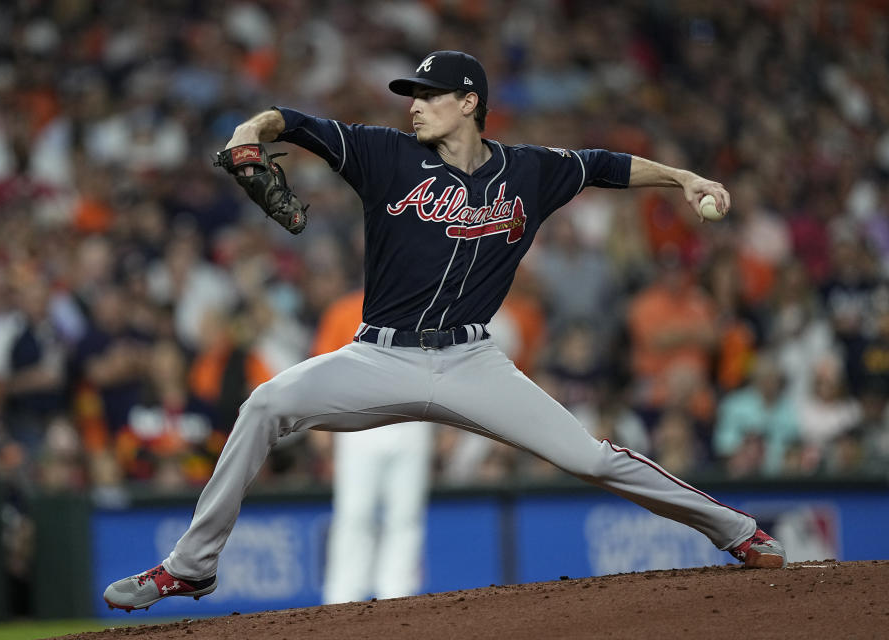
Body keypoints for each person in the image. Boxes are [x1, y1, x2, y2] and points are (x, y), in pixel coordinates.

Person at [104, 50, 786, 611]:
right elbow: (293, 122)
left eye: (429, 94)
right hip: (377, 357)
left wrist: (683, 177)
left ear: (469, 103)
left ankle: (740, 533)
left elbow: (605, 165)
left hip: (472, 363)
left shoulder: (529, 170)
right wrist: (248, 131)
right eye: (412, 94)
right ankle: (192, 567)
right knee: (265, 404)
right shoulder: (384, 154)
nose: (414, 104)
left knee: (590, 457)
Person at [312, 290, 433, 604]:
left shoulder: (426, 304)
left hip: (412, 418)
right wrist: (320, 422)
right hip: (359, 418)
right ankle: (342, 597)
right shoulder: (344, 310)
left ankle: (398, 596)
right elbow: (322, 368)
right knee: (355, 513)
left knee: (406, 515)